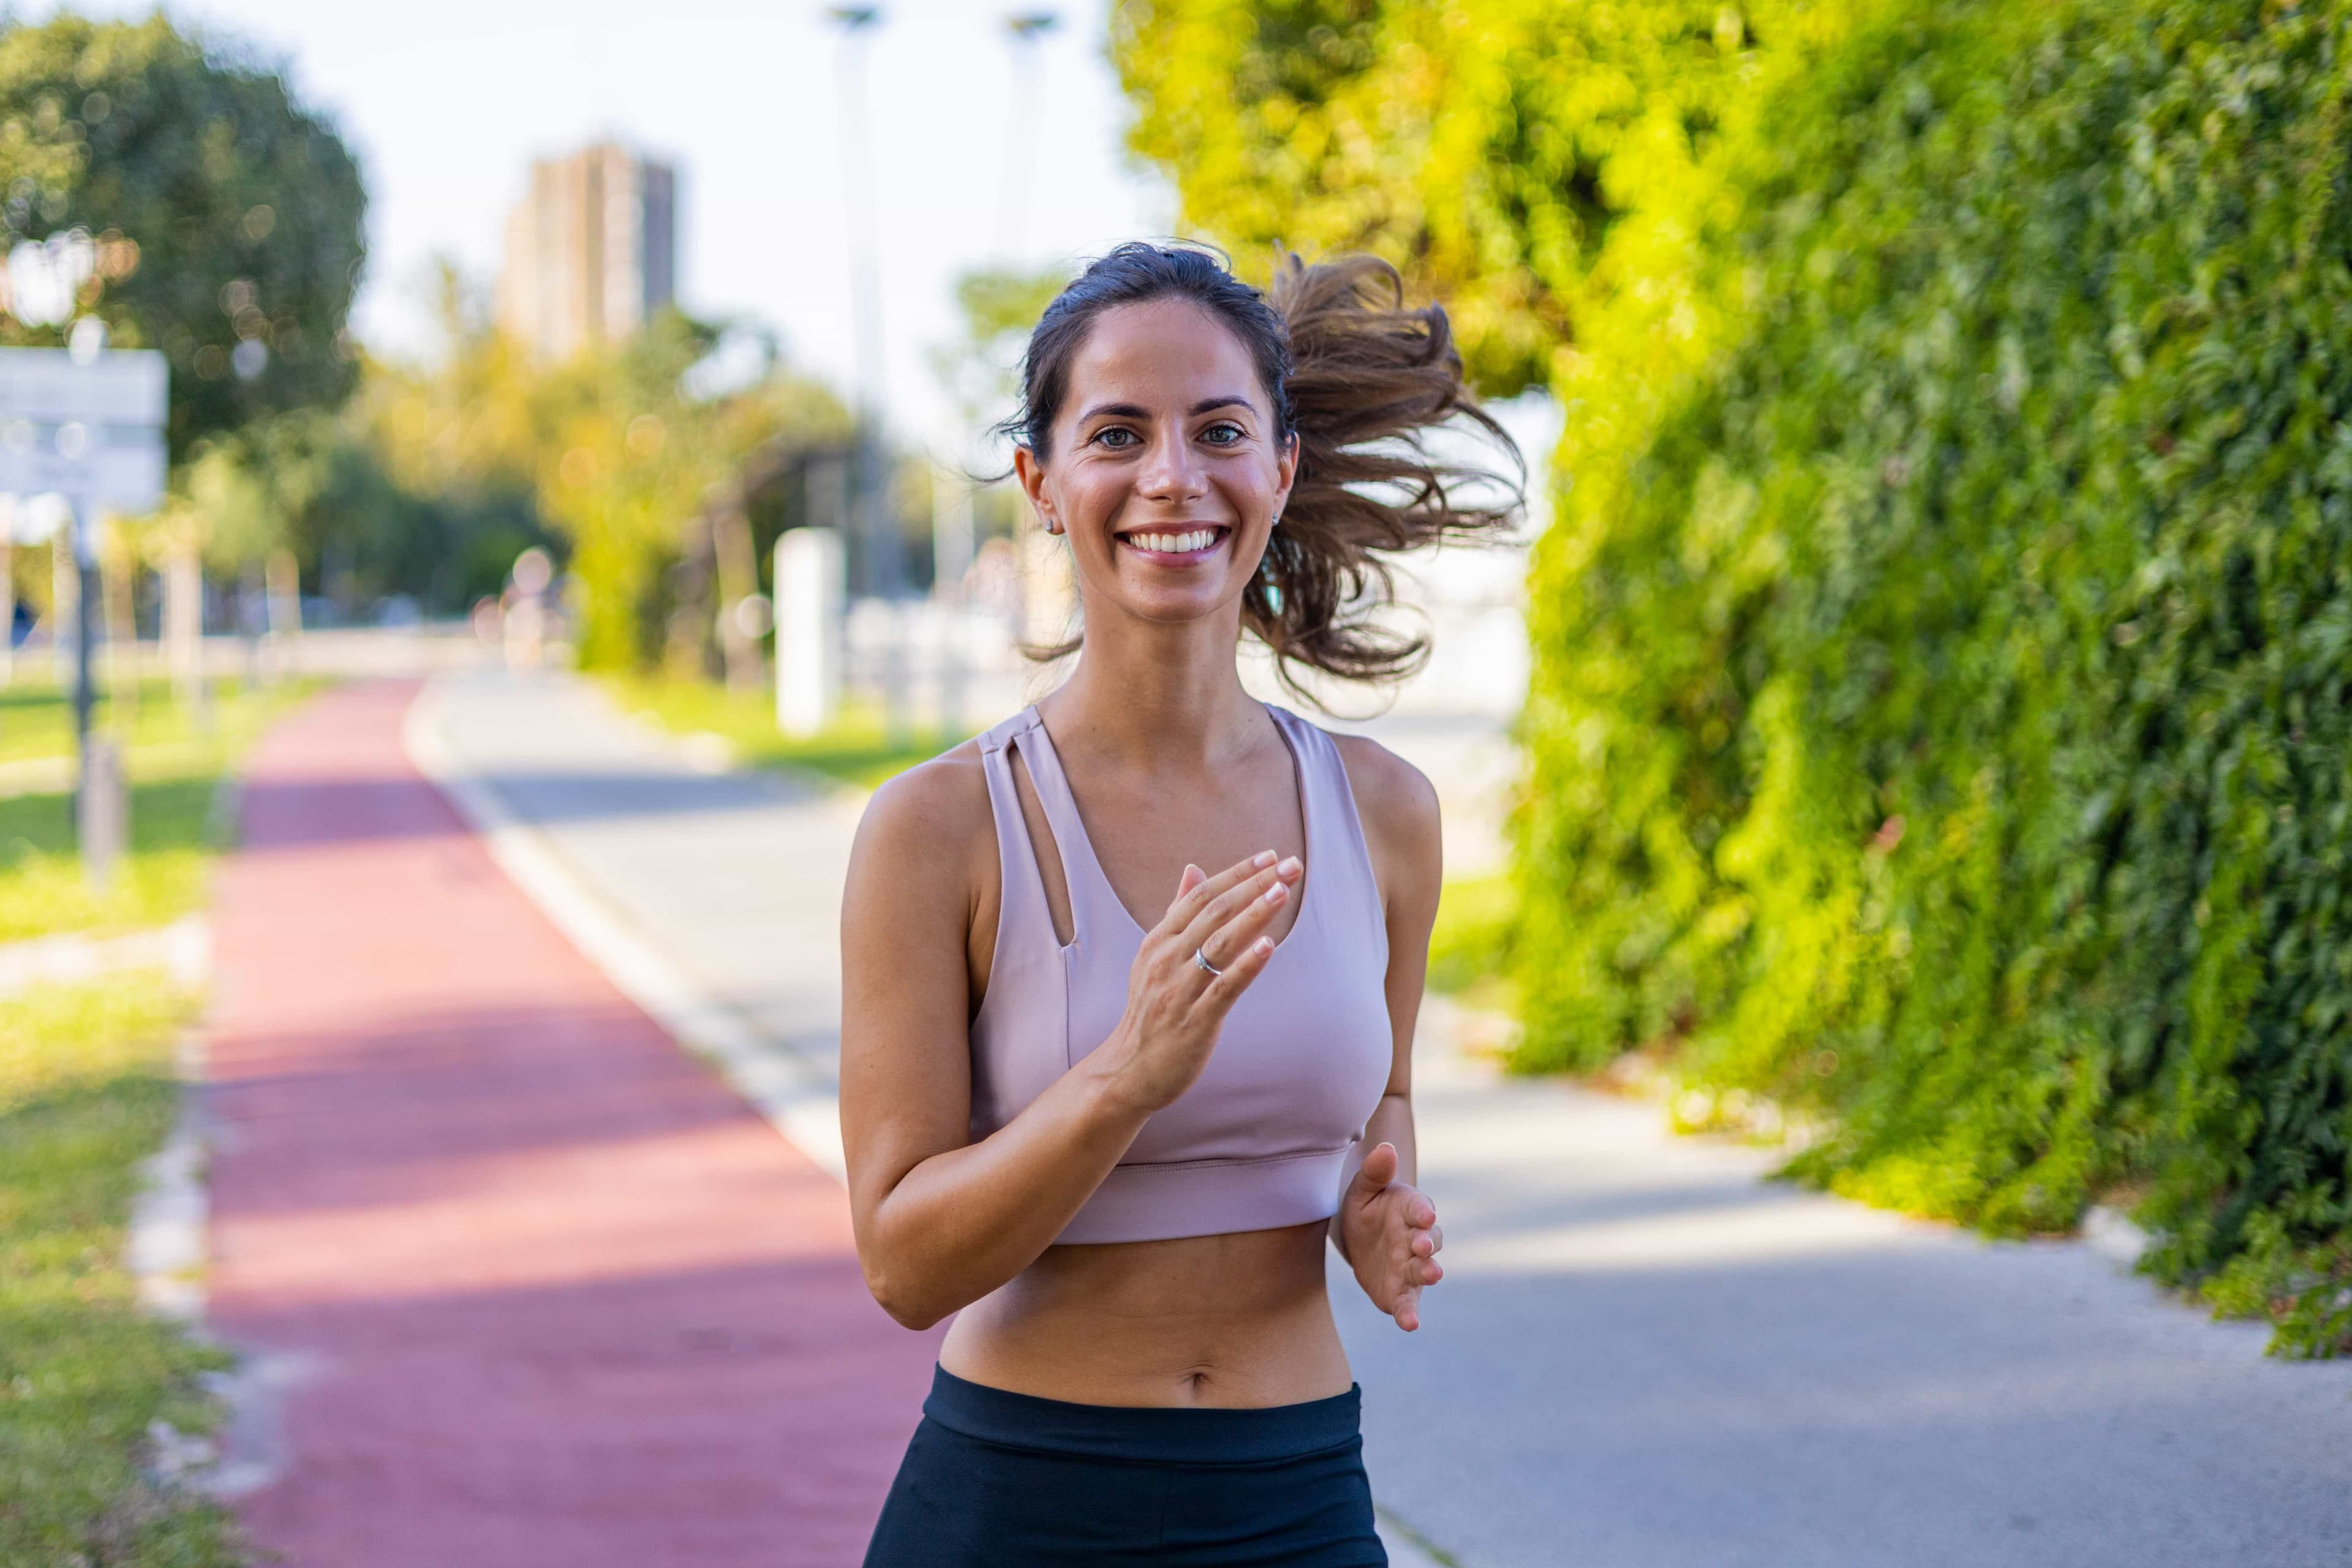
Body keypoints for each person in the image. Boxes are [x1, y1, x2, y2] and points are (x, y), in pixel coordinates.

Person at [840, 243, 1520, 1566]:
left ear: (1282, 467)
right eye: (1116, 432)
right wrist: (1122, 1077)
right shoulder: (940, 828)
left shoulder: (1386, 813)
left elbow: (1377, 1100)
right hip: (1019, 1498)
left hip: (1299, 1492)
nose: (1172, 476)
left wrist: (1369, 1209)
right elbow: (903, 1265)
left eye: (1218, 429)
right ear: (1040, 481)